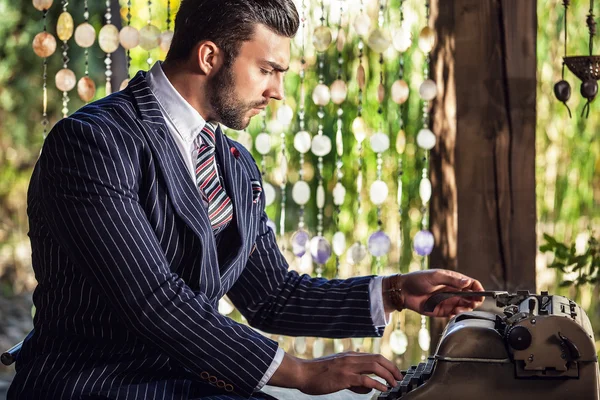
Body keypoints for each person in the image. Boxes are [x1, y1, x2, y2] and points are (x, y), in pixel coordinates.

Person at [8, 0, 484, 399]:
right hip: (95, 386)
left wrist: (396, 291)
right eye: (267, 70)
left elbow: (272, 295)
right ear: (210, 56)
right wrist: (300, 373)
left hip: (193, 385)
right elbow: (153, 302)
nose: (277, 91)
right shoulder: (93, 143)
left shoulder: (233, 162)